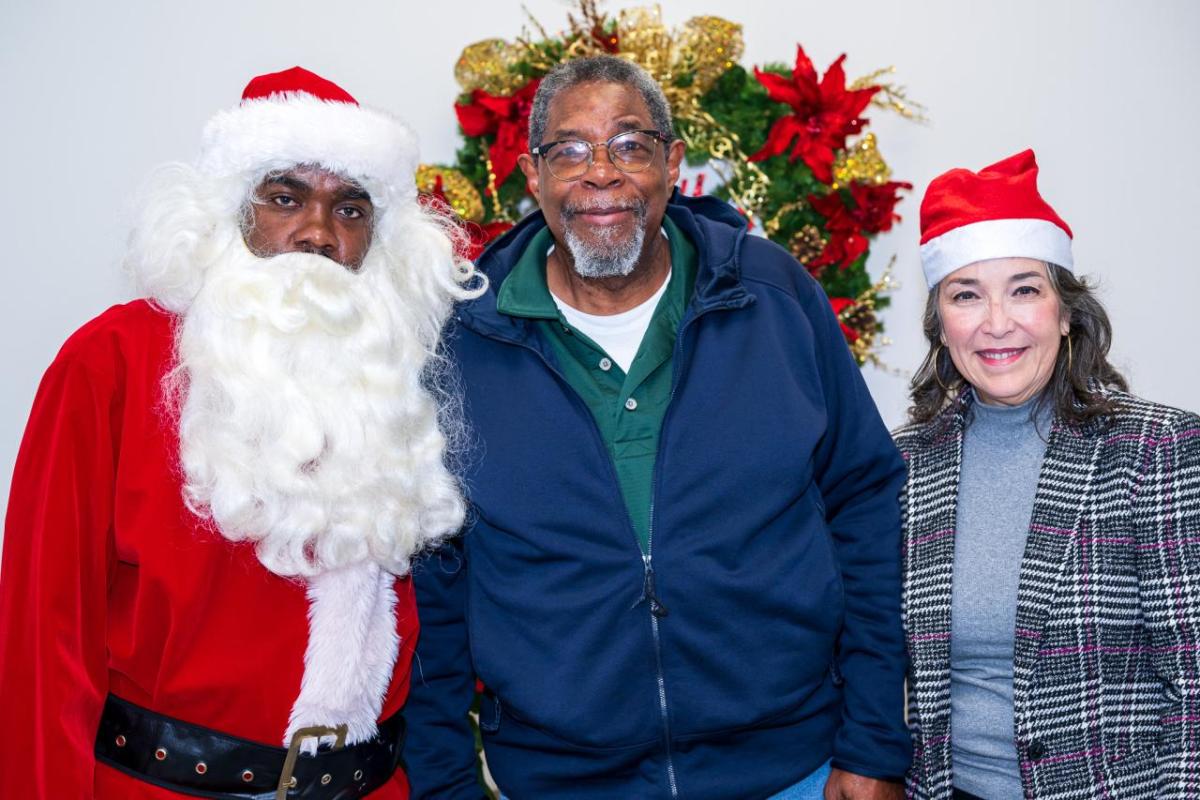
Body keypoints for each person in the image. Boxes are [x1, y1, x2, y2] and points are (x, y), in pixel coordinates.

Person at [404, 55, 909, 800]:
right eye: (569, 150)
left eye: (630, 144)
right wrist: (445, 785)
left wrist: (874, 744)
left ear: (673, 164)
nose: (600, 173)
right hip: (560, 781)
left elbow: (864, 505)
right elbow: (435, 586)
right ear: (531, 174)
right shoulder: (462, 344)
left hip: (794, 769)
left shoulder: (773, 299)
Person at [0, 66, 483, 799]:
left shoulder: (400, 377)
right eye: (286, 198)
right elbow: (42, 636)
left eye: (351, 210)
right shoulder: (112, 362)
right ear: (230, 211)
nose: (318, 233)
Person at [895, 150, 1200, 799]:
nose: (996, 322)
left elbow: (1195, 685)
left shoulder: (1157, 450)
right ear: (940, 325)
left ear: (1065, 314)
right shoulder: (902, 465)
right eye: (966, 295)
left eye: (1025, 290)